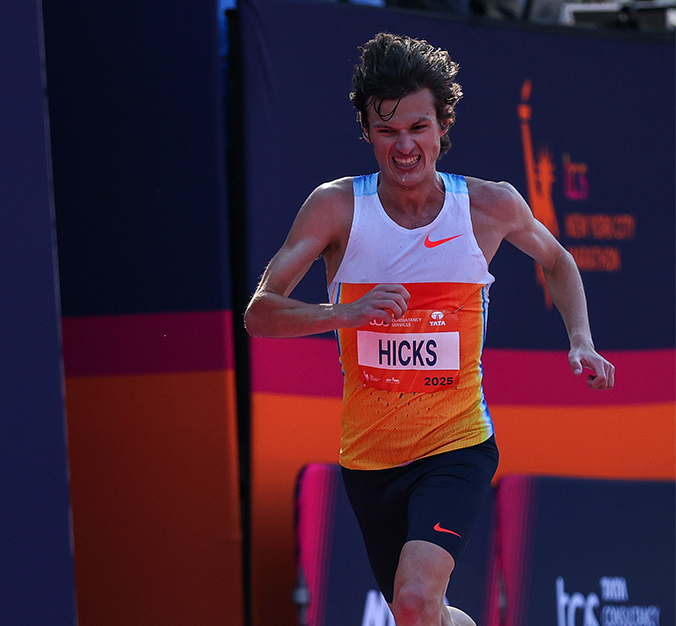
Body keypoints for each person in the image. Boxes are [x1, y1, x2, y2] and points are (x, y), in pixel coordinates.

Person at [244, 33, 614, 626]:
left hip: (456, 444)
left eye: (418, 127)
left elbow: (557, 260)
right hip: (369, 458)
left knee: (415, 599)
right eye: (387, 130)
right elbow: (260, 314)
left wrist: (581, 341)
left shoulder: (488, 206)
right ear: (368, 132)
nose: (404, 145)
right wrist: (342, 314)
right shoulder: (336, 208)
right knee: (420, 614)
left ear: (442, 126)